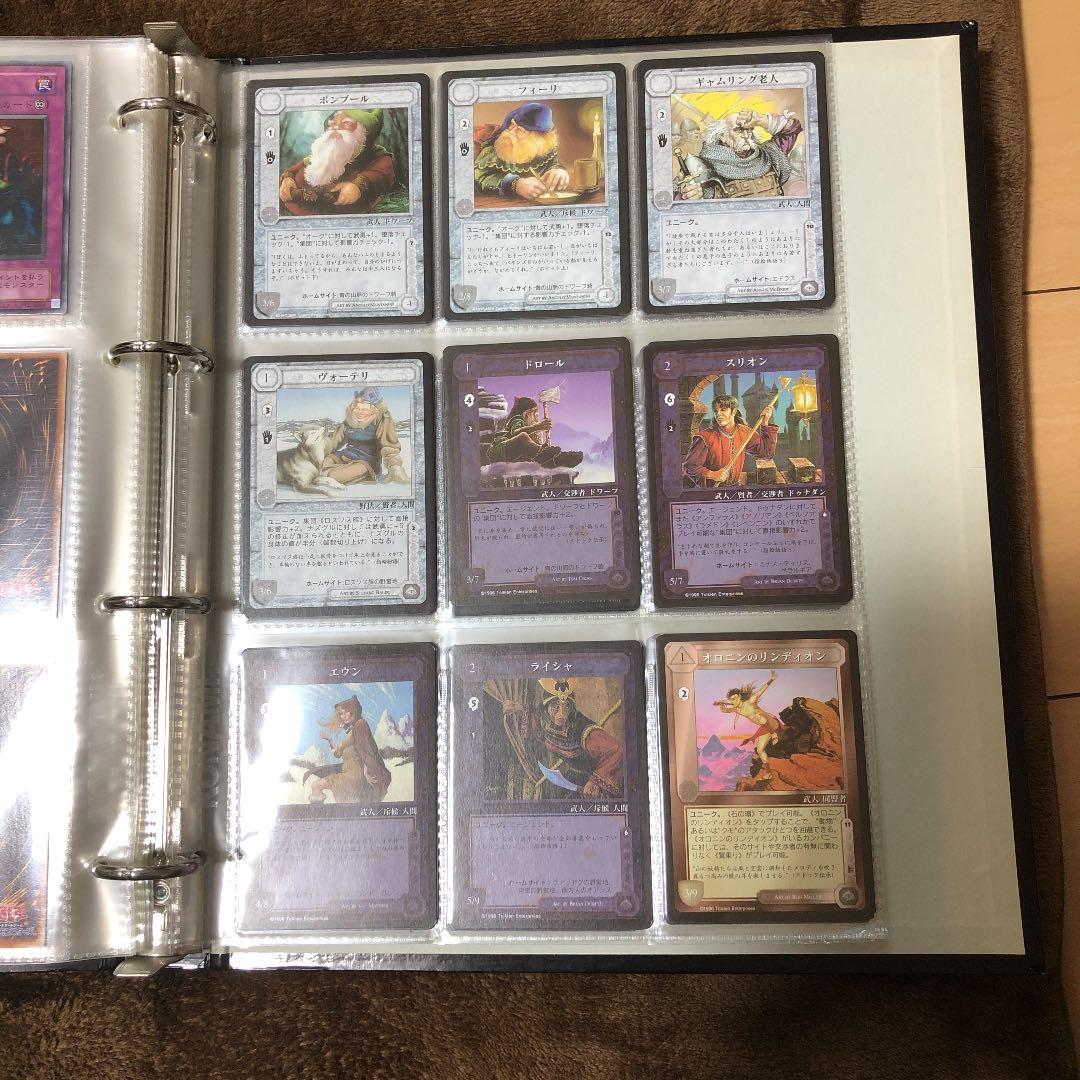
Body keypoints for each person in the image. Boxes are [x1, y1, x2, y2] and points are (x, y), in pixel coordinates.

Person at [498, 679, 623, 799]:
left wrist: (595, 782)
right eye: (555, 707)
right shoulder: (544, 720)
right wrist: (519, 708)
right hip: (574, 776)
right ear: (546, 708)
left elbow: (617, 750)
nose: (561, 713)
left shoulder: (582, 729)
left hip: (596, 780)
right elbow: (533, 713)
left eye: (566, 707)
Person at [278, 108, 396, 214]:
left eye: (346, 124)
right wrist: (288, 178)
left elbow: (380, 173)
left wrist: (357, 186)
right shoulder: (325, 153)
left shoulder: (377, 155)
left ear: (363, 132)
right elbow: (298, 168)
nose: (336, 128)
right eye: (332, 124)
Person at [676, 107, 803, 200]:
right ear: (723, 136)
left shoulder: (770, 154)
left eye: (749, 129)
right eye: (738, 130)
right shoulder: (705, 166)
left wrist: (759, 120)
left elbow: (792, 128)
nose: (746, 135)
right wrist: (693, 193)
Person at [473, 102, 571, 201]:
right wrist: (516, 184)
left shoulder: (543, 149)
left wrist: (558, 171)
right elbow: (479, 176)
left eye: (520, 130)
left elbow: (553, 164)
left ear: (538, 139)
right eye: (512, 125)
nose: (510, 131)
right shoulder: (497, 148)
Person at [307, 697, 392, 805]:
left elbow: (367, 750)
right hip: (349, 774)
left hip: (354, 777)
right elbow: (337, 753)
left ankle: (316, 812)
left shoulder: (360, 724)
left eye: (346, 712)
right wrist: (329, 740)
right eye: (341, 714)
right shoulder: (352, 731)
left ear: (353, 710)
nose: (343, 716)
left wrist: (366, 771)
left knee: (316, 785)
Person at [682, 393, 777, 487]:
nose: (718, 414)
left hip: (735, 488)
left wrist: (765, 424)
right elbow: (690, 467)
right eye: (715, 411)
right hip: (712, 490)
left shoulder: (745, 433)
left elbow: (767, 454)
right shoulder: (705, 437)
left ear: (734, 412)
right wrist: (712, 474)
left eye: (723, 410)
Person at [321, 387, 410, 486]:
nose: (360, 412)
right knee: (321, 464)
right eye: (358, 408)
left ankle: (331, 475)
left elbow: (389, 446)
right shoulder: (350, 420)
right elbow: (334, 441)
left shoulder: (381, 419)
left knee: (334, 476)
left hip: (366, 462)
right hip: (345, 456)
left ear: (373, 409)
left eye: (365, 409)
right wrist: (319, 447)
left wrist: (395, 467)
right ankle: (327, 473)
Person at [714, 672, 781, 781]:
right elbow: (725, 710)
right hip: (764, 728)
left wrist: (772, 679)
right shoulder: (737, 709)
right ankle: (769, 774)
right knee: (760, 750)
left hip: (771, 723)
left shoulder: (751, 701)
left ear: (740, 697)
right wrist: (721, 706)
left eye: (734, 698)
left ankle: (774, 735)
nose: (733, 701)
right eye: (731, 700)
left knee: (759, 716)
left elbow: (761, 690)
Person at [485, 396, 583, 470]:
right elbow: (516, 433)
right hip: (499, 451)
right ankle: (557, 457)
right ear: (526, 414)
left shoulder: (531, 432)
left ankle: (554, 460)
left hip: (509, 454)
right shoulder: (517, 419)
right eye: (534, 413)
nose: (536, 418)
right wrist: (537, 427)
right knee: (523, 437)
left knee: (532, 444)